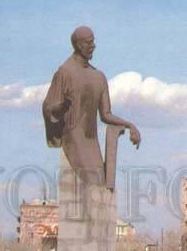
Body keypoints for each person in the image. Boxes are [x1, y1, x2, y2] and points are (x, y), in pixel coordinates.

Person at [42, 26, 141, 186]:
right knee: (94, 181)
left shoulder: (99, 77)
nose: (93, 46)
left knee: (100, 182)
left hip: (91, 140)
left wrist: (130, 125)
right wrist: (62, 106)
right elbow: (49, 108)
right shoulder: (64, 72)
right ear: (78, 45)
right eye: (89, 42)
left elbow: (106, 114)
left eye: (93, 41)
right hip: (74, 137)